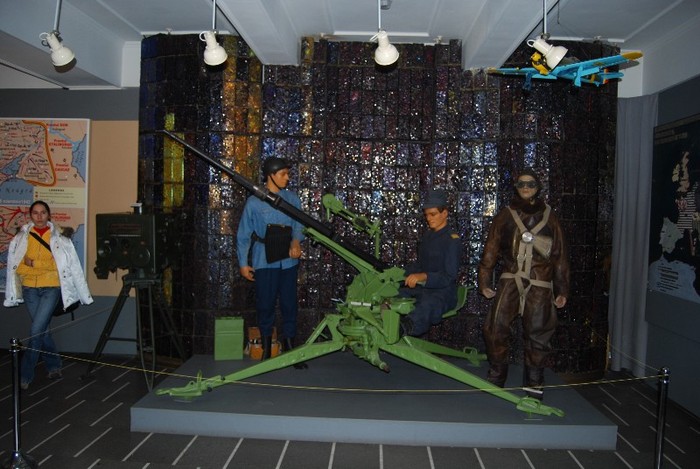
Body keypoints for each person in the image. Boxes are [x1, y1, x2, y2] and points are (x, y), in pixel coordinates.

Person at [478, 169, 569, 400]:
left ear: (538, 187)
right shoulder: (505, 215)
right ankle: (497, 375)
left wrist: (562, 289)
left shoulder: (550, 217)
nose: (526, 188)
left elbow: (559, 256)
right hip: (511, 278)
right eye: (521, 184)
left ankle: (534, 384)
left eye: (530, 184)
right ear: (516, 187)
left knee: (538, 333)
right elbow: (491, 249)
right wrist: (484, 281)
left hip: (540, 282)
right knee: (495, 328)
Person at [4, 200, 94, 390]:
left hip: (51, 288)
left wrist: (33, 264)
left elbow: (61, 266)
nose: (39, 216)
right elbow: (17, 267)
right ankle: (54, 366)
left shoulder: (60, 238)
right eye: (35, 213)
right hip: (29, 289)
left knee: (36, 330)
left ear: (48, 214)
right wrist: (38, 266)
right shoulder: (21, 238)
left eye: (43, 212)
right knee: (42, 330)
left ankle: (25, 374)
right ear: (30, 215)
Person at [237, 157, 306, 366]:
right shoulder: (254, 202)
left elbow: (300, 224)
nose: (287, 178)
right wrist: (243, 263)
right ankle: (267, 348)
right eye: (283, 174)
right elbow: (244, 234)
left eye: (287, 174)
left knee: (289, 304)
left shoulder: (292, 199)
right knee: (265, 304)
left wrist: (296, 241)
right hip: (264, 259)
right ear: (271, 175)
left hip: (288, 260)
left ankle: (290, 347)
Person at [399, 189, 462, 337]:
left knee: (427, 306)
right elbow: (421, 264)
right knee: (393, 293)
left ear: (444, 213)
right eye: (426, 215)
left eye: (433, 214)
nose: (428, 219)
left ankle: (404, 328)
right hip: (424, 289)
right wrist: (400, 274)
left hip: (443, 292)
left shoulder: (452, 240)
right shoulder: (427, 237)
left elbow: (449, 276)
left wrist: (424, 276)